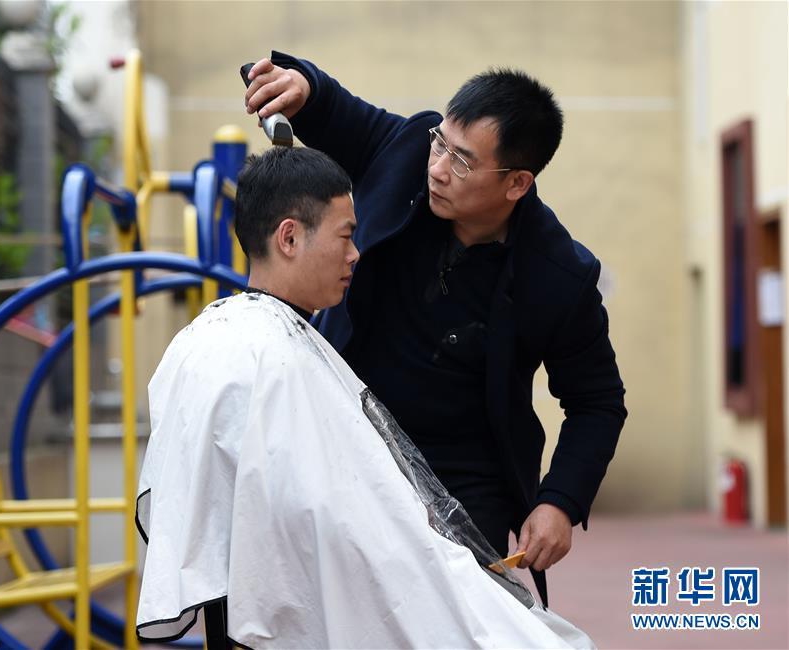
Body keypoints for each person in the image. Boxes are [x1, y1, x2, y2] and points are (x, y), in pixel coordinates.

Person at [134, 147, 593, 648]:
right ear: (289, 237)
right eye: (345, 236)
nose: (356, 254)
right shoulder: (268, 358)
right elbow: (309, 519)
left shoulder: (212, 340)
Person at [243, 53, 628, 604]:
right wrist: (303, 85)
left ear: (517, 183)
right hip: (346, 438)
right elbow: (336, 109)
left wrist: (560, 502)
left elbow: (597, 401)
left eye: (463, 161)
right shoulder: (408, 152)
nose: (440, 168)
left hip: (466, 482)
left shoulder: (559, 275)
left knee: (455, 621)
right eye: (440, 144)